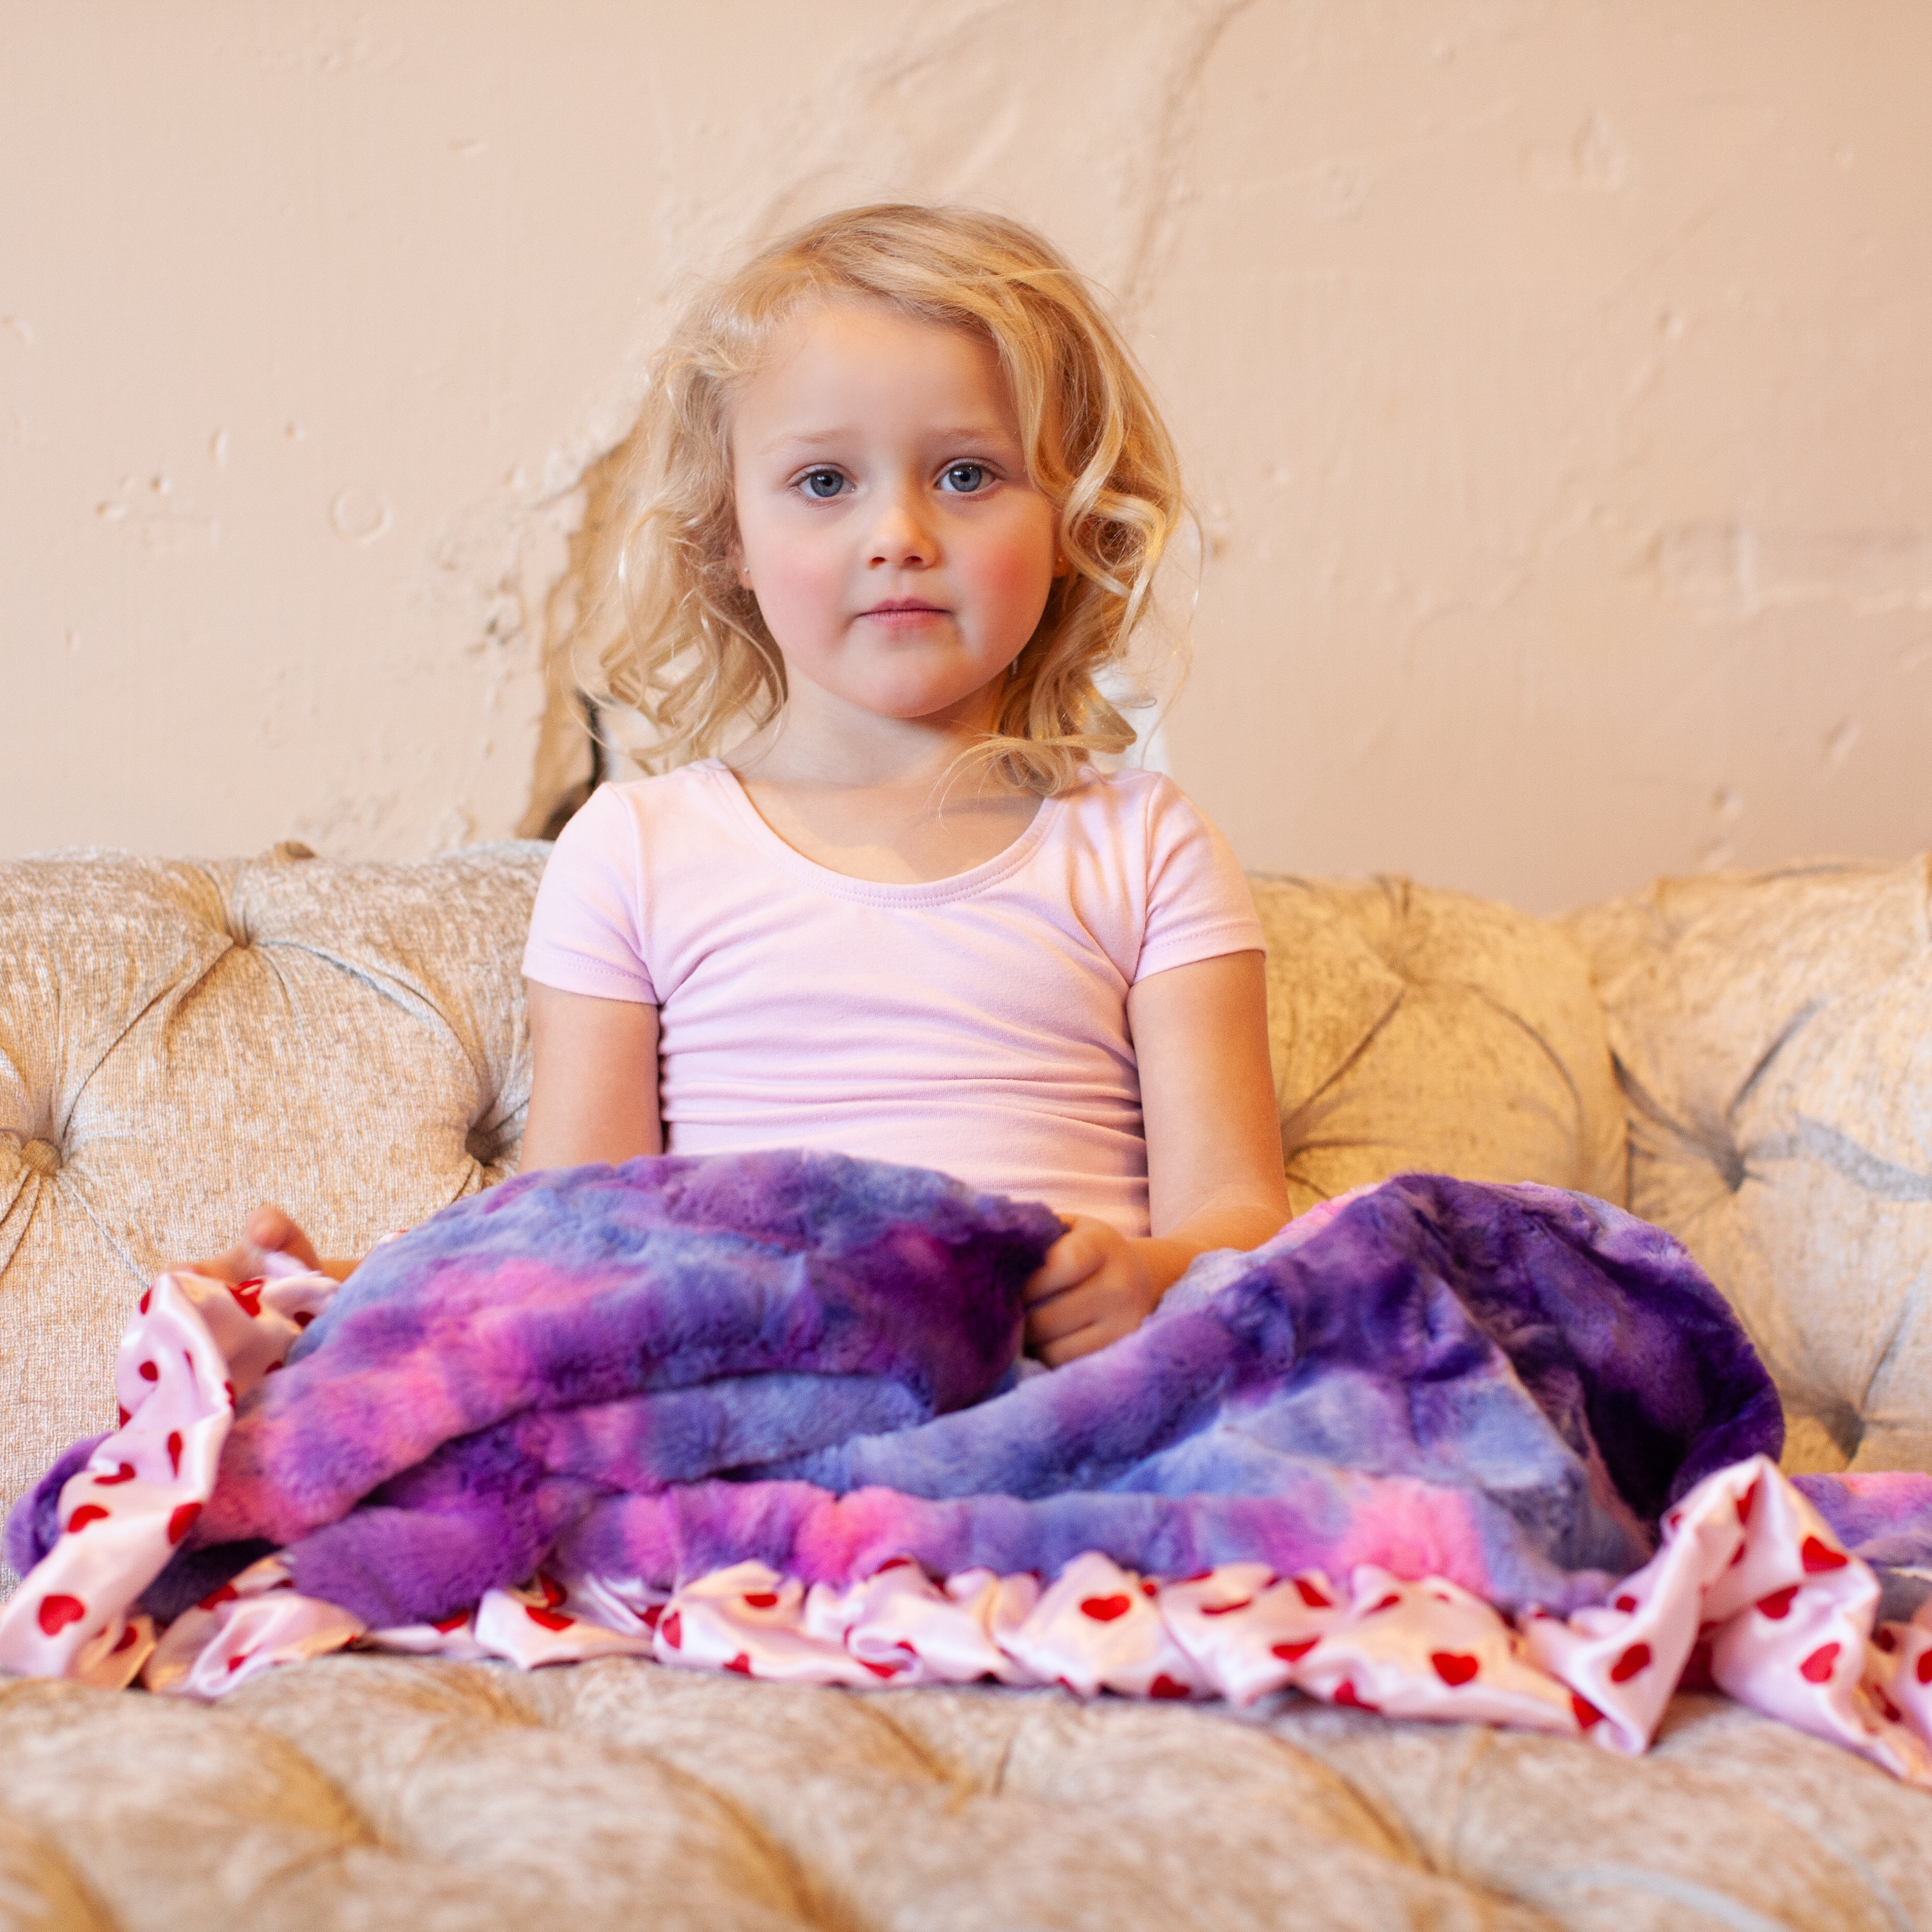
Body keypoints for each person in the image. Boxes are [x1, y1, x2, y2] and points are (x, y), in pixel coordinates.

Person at [201, 204, 1289, 1365]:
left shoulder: (1145, 846)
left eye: (968, 474)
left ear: (1071, 520)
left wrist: (1146, 1278)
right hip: (751, 1387)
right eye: (824, 480)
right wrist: (337, 1296)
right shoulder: (637, 850)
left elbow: (1245, 1220)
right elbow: (566, 1240)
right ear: (729, 534)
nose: (900, 533)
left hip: (1064, 1396)